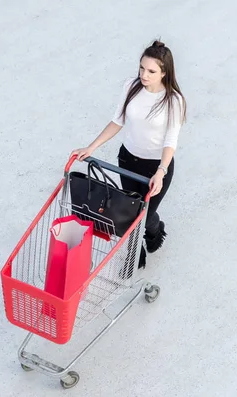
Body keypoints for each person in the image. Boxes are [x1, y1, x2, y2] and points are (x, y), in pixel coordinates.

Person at [71, 40, 187, 269]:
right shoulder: (131, 87)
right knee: (133, 213)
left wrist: (161, 172)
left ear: (164, 72)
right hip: (128, 162)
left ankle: (154, 232)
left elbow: (170, 141)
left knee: (142, 216)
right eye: (142, 68)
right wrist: (91, 147)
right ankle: (137, 255)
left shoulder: (173, 101)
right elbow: (118, 121)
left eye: (151, 71)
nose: (144, 75)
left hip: (156, 167)